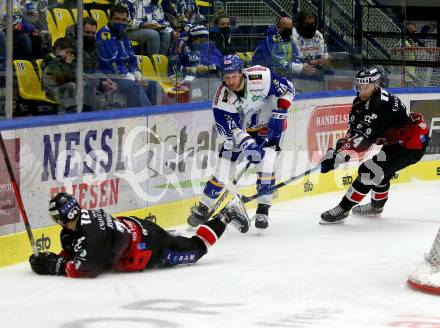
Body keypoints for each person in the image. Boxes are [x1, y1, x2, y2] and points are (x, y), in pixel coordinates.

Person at [187, 55, 295, 230]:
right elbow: (231, 132)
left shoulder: (262, 77)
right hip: (239, 136)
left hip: (267, 128)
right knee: (222, 170)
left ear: (242, 72)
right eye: (226, 77)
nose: (230, 81)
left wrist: (280, 114)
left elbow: (288, 90)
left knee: (266, 166)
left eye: (234, 76)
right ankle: (203, 207)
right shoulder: (221, 101)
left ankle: (263, 210)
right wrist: (248, 145)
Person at [28, 192, 249, 278]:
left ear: (59, 219)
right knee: (176, 239)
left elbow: (87, 268)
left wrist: (53, 266)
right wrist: (55, 257)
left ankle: (228, 214)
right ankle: (173, 236)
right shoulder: (81, 223)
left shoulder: (88, 236)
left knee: (195, 249)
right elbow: (77, 252)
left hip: (151, 248)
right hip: (138, 232)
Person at [319, 66, 429, 224]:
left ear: (376, 85)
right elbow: (354, 131)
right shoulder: (360, 101)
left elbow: (363, 142)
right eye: (359, 87)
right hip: (396, 141)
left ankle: (343, 209)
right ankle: (376, 207)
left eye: (366, 87)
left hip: (411, 144)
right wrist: (339, 149)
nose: (362, 92)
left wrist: (337, 158)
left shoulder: (382, 105)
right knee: (380, 172)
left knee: (369, 171)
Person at [96, 4, 156, 107]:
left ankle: (166, 117)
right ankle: (150, 119)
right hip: (112, 78)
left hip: (128, 77)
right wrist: (134, 79)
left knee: (154, 85)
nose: (121, 23)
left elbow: (132, 59)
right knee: (135, 87)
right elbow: (111, 66)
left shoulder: (123, 35)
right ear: (110, 19)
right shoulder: (103, 36)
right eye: (117, 19)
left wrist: (138, 76)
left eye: (124, 20)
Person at [252, 16, 309, 81]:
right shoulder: (271, 39)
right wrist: (300, 68)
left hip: (279, 75)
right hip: (262, 75)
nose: (288, 31)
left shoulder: (289, 40)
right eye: (286, 29)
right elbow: (279, 63)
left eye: (290, 29)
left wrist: (303, 65)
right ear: (278, 27)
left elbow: (295, 57)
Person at [178, 24, 223, 100]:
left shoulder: (210, 47)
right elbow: (176, 68)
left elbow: (220, 62)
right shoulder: (183, 47)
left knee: (217, 86)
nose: (204, 42)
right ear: (193, 38)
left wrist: (210, 67)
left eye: (206, 38)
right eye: (201, 39)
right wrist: (193, 69)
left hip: (208, 78)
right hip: (188, 79)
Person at [292, 11, 331, 91]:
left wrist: (326, 59)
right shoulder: (293, 35)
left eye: (313, 24)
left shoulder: (318, 34)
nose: (310, 27)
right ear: (299, 23)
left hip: (314, 74)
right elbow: (297, 61)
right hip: (296, 76)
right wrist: (317, 62)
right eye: (306, 24)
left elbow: (324, 55)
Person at [41, 37, 77, 113]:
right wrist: (68, 64)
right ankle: (65, 112)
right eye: (67, 52)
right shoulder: (51, 60)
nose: (70, 55)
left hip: (62, 89)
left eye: (71, 53)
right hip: (52, 91)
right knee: (71, 86)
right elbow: (62, 79)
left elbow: (73, 76)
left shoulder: (64, 61)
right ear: (58, 50)